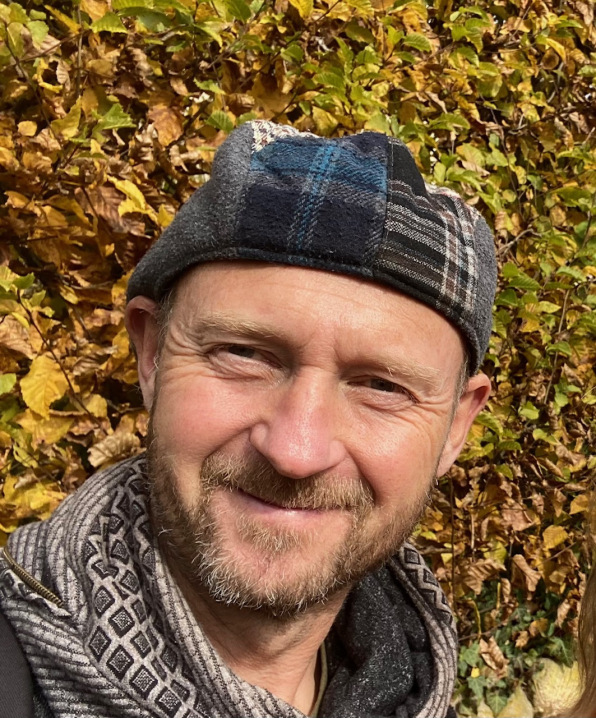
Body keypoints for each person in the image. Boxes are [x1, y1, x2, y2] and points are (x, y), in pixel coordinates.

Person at [0, 120, 496, 718]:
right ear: (152, 353)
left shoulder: (419, 693)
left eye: (382, 386)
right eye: (245, 354)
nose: (295, 451)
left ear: (456, 428)